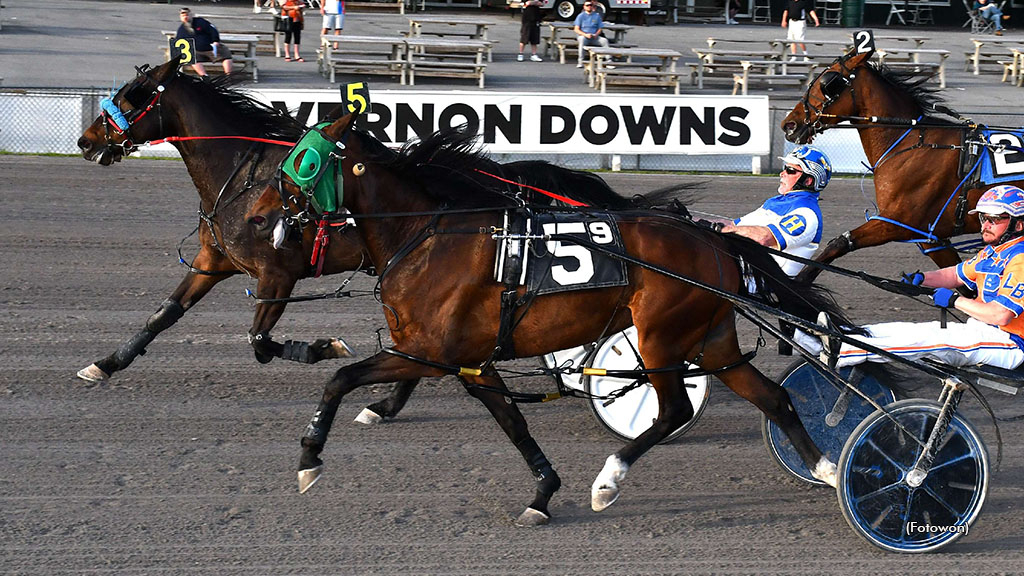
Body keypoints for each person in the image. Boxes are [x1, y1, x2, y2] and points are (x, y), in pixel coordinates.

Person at [806, 185, 1024, 371]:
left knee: (931, 340)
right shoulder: (993, 252)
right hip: (980, 330)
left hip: (1008, 344)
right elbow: (954, 274)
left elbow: (1001, 315)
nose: (984, 225)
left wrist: (954, 301)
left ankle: (845, 351)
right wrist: (921, 279)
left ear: (1019, 224)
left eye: (994, 220)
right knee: (908, 329)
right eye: (982, 218)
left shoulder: (1020, 258)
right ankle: (835, 336)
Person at [718, 145, 830, 278]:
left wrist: (720, 229)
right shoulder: (776, 201)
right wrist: (694, 222)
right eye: (785, 168)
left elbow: (763, 238)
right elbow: (733, 225)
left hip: (756, 284)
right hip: (735, 268)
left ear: (808, 180)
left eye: (790, 170)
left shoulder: (806, 214)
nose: (782, 174)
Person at [175, 7, 233, 76]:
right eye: (183, 16)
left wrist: (215, 41)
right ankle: (204, 76)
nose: (185, 17)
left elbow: (213, 30)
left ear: (191, 15)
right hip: (197, 52)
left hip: (211, 48)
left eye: (187, 15)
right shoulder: (181, 30)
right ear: (180, 17)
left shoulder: (201, 22)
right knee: (191, 58)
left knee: (226, 54)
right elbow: (178, 43)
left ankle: (228, 76)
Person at [574, 1, 608, 69]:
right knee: (582, 40)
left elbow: (600, 28)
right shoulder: (580, 16)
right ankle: (580, 61)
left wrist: (596, 34)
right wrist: (585, 35)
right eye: (587, 5)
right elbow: (576, 29)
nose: (589, 6)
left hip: (594, 36)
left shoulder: (597, 16)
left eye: (591, 5)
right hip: (584, 36)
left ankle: (609, 61)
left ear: (593, 7)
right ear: (584, 7)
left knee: (604, 41)